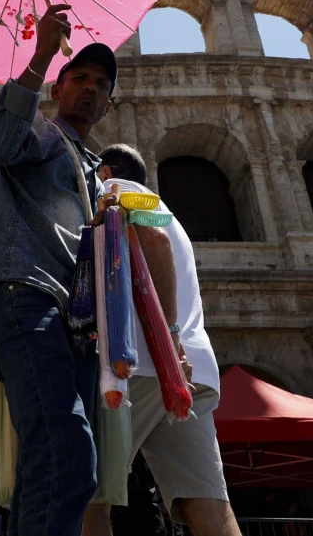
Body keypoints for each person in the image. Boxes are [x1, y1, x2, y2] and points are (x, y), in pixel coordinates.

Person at [0, 2, 116, 536]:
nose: (90, 88)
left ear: (108, 104)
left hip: (71, 324)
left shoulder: (95, 169)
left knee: (43, 465)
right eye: (80, 78)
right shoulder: (42, 132)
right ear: (58, 88)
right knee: (69, 451)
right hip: (22, 294)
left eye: (101, 83)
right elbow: (0, 142)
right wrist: (42, 54)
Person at [83, 144, 239, 536]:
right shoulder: (173, 216)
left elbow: (153, 241)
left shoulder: (112, 187)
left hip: (147, 362)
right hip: (194, 370)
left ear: (103, 171)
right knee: (207, 502)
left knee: (90, 497)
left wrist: (168, 340)